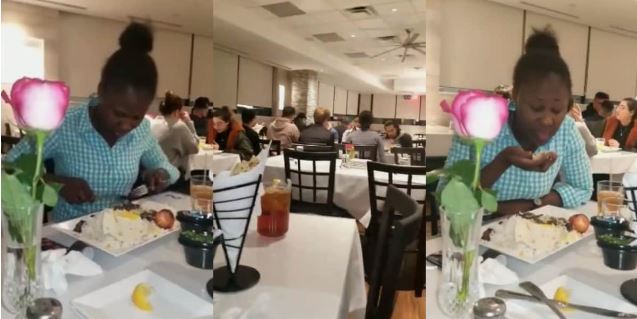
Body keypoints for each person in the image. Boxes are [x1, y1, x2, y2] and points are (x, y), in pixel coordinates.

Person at [5, 23, 180, 221]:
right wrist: (55, 183)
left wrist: (159, 174)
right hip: (67, 239)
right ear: (101, 90)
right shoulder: (64, 124)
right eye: (119, 113)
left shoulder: (141, 132)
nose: (126, 126)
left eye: (136, 117)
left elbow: (171, 171)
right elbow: (8, 168)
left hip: (121, 234)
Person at [443, 28, 592, 216]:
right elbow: (446, 196)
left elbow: (582, 187)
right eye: (536, 108)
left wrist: (534, 204)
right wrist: (502, 161)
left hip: (535, 233)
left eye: (557, 110)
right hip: (474, 235)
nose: (547, 120)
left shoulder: (567, 130)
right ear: (515, 96)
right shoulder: (477, 124)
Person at [150, 91, 199, 173]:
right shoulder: (178, 126)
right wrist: (189, 122)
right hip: (170, 176)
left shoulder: (153, 122)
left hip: (151, 173)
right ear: (177, 111)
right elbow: (194, 148)